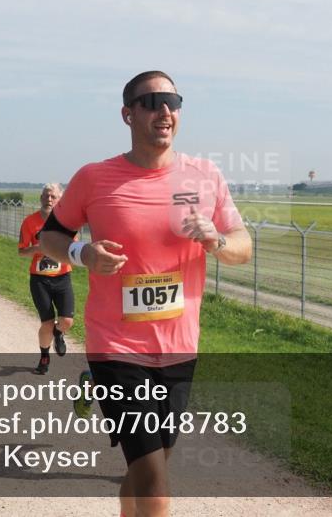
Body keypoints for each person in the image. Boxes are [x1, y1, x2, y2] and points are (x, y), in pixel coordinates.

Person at [39, 70, 251, 517]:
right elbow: (50, 237)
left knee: (145, 470)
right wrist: (82, 253)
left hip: (179, 347)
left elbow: (242, 247)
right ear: (127, 114)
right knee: (155, 482)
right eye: (152, 101)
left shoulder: (205, 175)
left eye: (173, 100)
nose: (165, 111)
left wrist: (216, 241)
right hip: (115, 348)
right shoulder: (95, 178)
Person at [18, 184, 75, 374]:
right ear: (41, 198)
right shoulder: (29, 222)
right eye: (46, 196)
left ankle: (59, 333)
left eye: (53, 197)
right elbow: (21, 251)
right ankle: (44, 356)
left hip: (62, 277)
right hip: (40, 280)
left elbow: (72, 250)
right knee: (47, 322)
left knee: (66, 321)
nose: (49, 200)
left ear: (60, 200)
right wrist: (37, 249)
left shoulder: (67, 223)